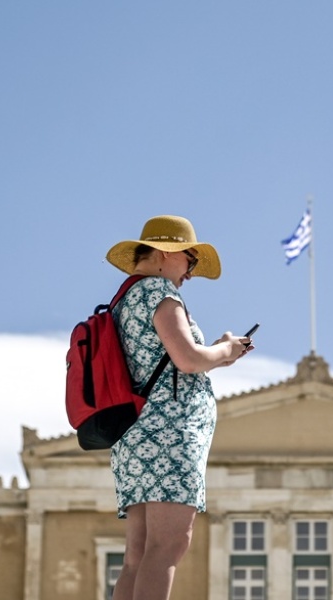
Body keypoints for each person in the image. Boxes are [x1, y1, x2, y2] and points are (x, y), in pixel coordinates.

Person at [104, 215, 253, 600]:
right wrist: (226, 349)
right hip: (169, 434)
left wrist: (215, 355)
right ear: (166, 252)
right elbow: (187, 359)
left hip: (135, 435)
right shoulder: (159, 292)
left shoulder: (125, 299)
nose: (191, 271)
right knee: (168, 545)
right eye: (190, 258)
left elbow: (167, 361)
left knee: (137, 556)